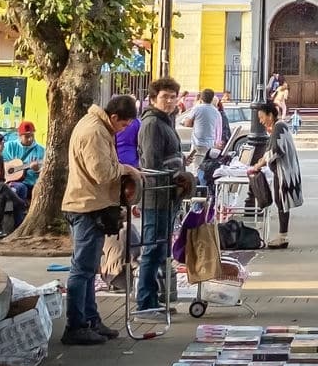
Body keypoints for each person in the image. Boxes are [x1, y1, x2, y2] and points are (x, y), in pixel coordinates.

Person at [60, 96, 130, 345]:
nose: (122, 130)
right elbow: (101, 173)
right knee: (82, 269)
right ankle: (75, 325)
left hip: (90, 205)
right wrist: (126, 169)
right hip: (86, 206)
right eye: (123, 125)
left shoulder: (97, 126)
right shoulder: (94, 131)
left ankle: (90, 319)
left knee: (89, 269)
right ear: (114, 118)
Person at [134, 78, 184, 311]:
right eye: (165, 97)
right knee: (152, 248)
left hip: (169, 194)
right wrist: (172, 178)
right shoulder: (153, 123)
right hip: (156, 196)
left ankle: (157, 298)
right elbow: (152, 164)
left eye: (173, 96)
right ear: (153, 99)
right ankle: (146, 303)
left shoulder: (166, 121)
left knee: (161, 249)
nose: (170, 101)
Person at [250, 101, 301, 248]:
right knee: (281, 202)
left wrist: (259, 164)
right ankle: (282, 235)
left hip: (284, 172)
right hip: (283, 171)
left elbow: (276, 151)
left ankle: (282, 237)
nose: (260, 121)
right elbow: (271, 149)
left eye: (261, 117)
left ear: (270, 115)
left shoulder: (279, 127)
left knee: (281, 203)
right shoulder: (279, 127)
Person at [2, 120, 45, 206]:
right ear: (19, 136)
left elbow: (46, 170)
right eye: (27, 136)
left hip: (32, 183)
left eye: (32, 135)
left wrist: (38, 170)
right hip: (13, 183)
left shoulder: (41, 150)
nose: (30, 139)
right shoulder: (9, 146)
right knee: (20, 189)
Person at [181, 87, 224, 157]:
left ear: (201, 98)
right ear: (212, 98)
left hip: (197, 143)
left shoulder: (197, 108)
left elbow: (187, 124)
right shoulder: (216, 112)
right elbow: (219, 129)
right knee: (205, 164)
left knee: (196, 164)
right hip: (210, 144)